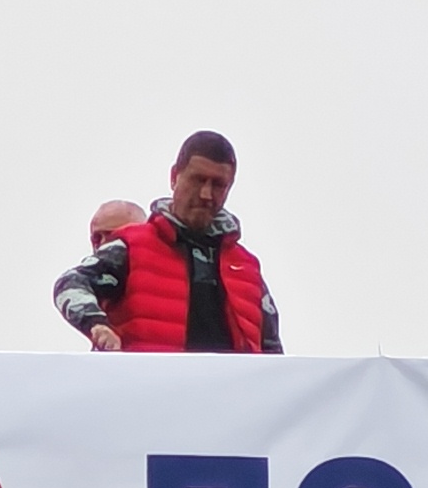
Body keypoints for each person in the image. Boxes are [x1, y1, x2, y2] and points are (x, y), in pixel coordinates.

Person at [57, 133, 281, 353]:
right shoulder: (132, 246)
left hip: (231, 389)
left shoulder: (247, 268)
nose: (206, 194)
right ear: (174, 176)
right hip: (144, 387)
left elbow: (274, 358)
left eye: (218, 185)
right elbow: (70, 283)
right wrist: (97, 325)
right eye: (198, 180)